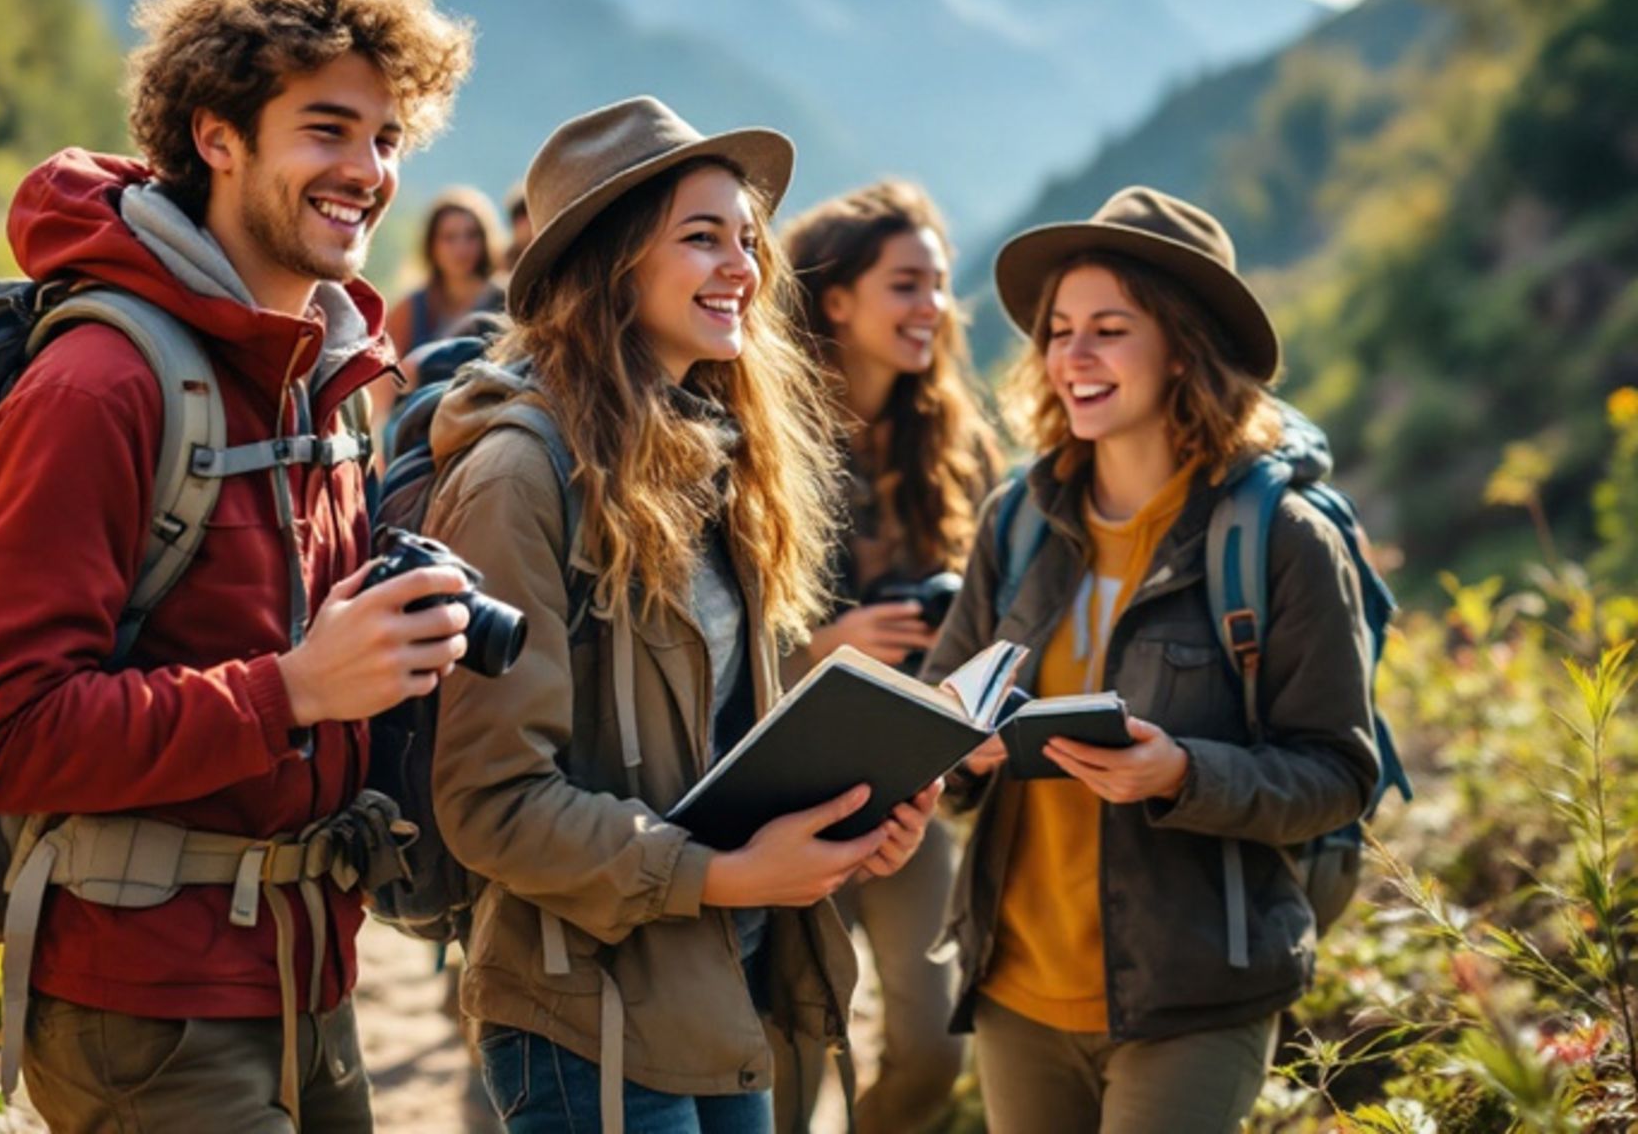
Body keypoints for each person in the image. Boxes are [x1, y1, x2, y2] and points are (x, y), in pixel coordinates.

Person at [0, 0, 475, 1133]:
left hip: (307, 975)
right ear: (216, 138)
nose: (370, 172)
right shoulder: (100, 388)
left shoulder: (318, 376)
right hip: (146, 1009)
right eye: (327, 130)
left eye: (388, 137)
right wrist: (290, 689)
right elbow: (0, 735)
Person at [424, 97, 941, 1134]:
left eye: (747, 239)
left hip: (720, 985)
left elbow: (718, 750)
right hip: (587, 1020)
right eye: (702, 238)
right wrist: (721, 873)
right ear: (610, 263)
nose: (743, 266)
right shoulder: (518, 478)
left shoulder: (718, 465)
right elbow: (488, 801)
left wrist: (850, 819)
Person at [920, 187, 1380, 1134]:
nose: (1072, 358)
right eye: (1059, 330)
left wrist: (1181, 773)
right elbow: (938, 704)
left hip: (1196, 998)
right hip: (1016, 991)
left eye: (1110, 330)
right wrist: (954, 751)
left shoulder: (1277, 538)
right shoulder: (1018, 520)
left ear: (1182, 347)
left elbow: (1338, 774)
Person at [775, 181, 1004, 1134]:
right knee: (786, 1061)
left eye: (940, 286)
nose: (933, 309)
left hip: (913, 788)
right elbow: (697, 637)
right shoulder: (760, 439)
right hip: (781, 793)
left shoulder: (961, 449)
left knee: (931, 1049)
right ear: (836, 301)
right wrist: (819, 651)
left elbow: (1000, 612)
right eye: (907, 284)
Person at [383, 185, 507, 356]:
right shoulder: (411, 308)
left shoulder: (506, 300)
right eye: (449, 238)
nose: (461, 248)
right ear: (431, 245)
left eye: (471, 235)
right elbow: (387, 371)